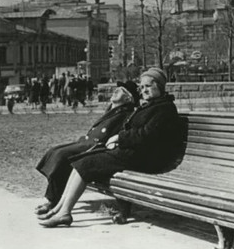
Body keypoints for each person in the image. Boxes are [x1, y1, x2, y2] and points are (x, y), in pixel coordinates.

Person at [37, 67, 185, 228]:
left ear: (160, 86)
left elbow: (147, 135)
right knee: (81, 161)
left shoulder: (165, 108)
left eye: (148, 86)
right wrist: (120, 139)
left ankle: (64, 212)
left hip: (148, 159)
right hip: (135, 154)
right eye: (142, 87)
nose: (144, 90)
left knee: (86, 164)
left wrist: (119, 138)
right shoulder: (151, 105)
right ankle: (60, 209)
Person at [34, 80, 141, 216]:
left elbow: (118, 135)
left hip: (96, 147)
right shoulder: (113, 109)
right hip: (86, 142)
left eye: (120, 90)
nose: (115, 91)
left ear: (128, 98)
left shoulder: (126, 114)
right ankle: (52, 199)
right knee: (54, 151)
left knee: (62, 156)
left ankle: (51, 200)